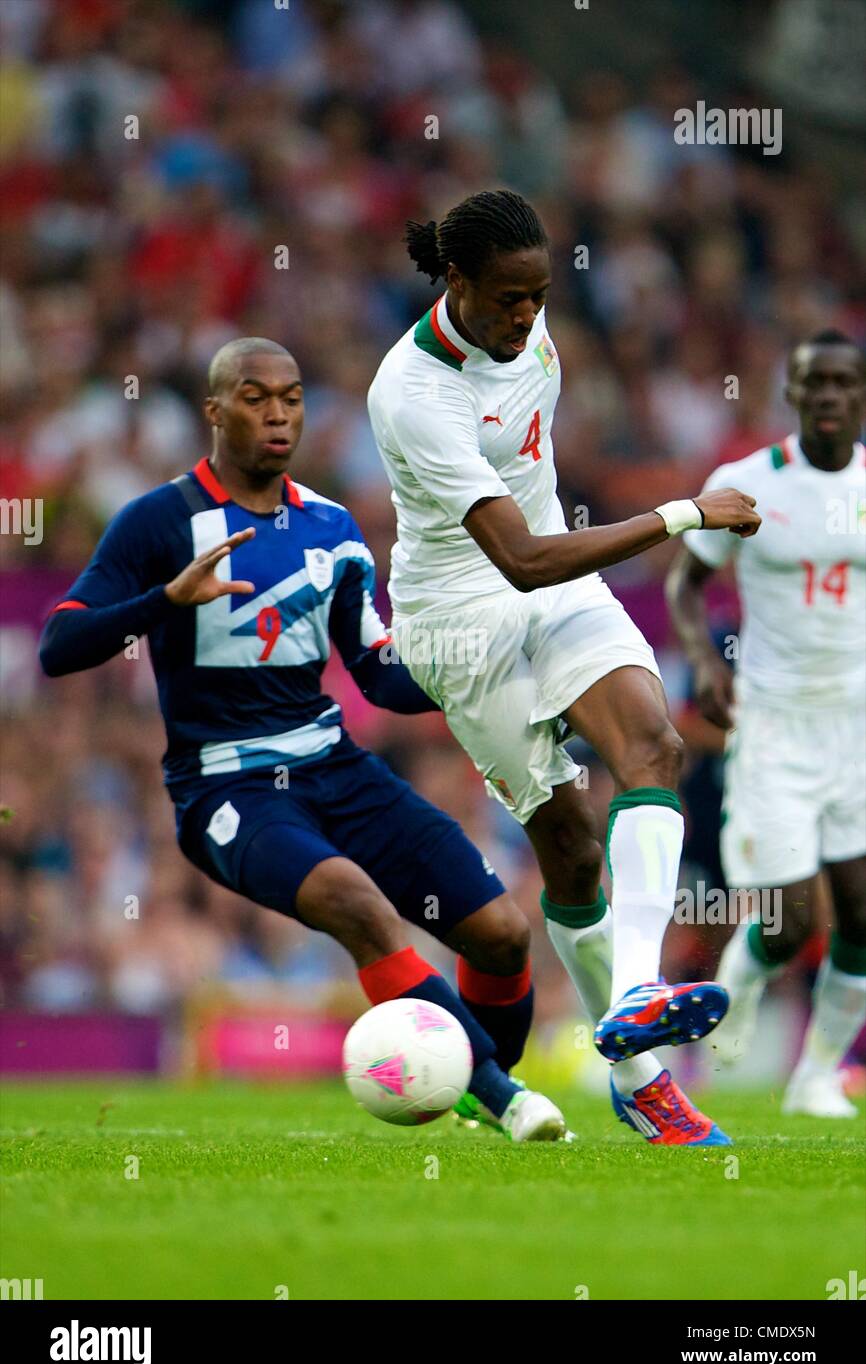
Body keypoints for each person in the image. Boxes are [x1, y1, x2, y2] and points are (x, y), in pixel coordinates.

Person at [39, 336, 568, 1143]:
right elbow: (59, 646)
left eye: (290, 396)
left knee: (501, 933)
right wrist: (165, 602)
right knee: (357, 904)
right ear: (215, 411)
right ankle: (501, 1099)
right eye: (255, 397)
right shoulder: (157, 523)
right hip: (226, 789)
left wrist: (480, 668)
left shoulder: (331, 528)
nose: (278, 412)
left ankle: (478, 1088)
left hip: (332, 767)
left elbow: (377, 676)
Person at [368, 190, 762, 1145]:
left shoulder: (532, 339)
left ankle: (633, 1001)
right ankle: (632, 1075)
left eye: (538, 297)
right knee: (572, 850)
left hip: (557, 586)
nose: (526, 316)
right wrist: (681, 513)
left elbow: (542, 490)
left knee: (654, 745)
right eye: (508, 298)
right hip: (461, 620)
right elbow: (517, 557)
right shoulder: (410, 393)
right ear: (455, 282)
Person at [667, 330, 866, 1118]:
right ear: (792, 391)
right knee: (786, 924)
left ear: (859, 393)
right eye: (813, 383)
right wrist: (704, 663)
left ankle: (817, 1074)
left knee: (862, 913)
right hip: (775, 726)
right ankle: (736, 994)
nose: (827, 396)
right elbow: (687, 584)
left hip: (854, 727)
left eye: (843, 383)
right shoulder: (749, 484)